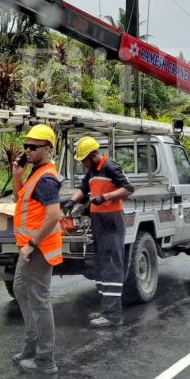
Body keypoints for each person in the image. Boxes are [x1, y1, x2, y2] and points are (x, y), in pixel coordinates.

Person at [11, 124, 63, 374]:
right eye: (26, 146)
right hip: (29, 248)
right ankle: (32, 346)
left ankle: (45, 360)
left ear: (47, 148)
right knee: (20, 289)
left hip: (38, 249)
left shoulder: (46, 178)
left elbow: (54, 215)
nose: (27, 151)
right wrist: (17, 174)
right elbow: (20, 200)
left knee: (40, 301)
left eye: (33, 147)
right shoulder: (35, 172)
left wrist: (31, 245)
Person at [68, 136, 134, 327]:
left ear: (92, 155)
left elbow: (128, 188)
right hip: (98, 222)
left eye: (83, 160)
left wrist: (105, 197)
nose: (82, 164)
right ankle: (107, 309)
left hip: (112, 221)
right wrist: (72, 201)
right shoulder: (92, 171)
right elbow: (82, 188)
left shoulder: (110, 167)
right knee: (102, 265)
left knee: (112, 266)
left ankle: (113, 315)